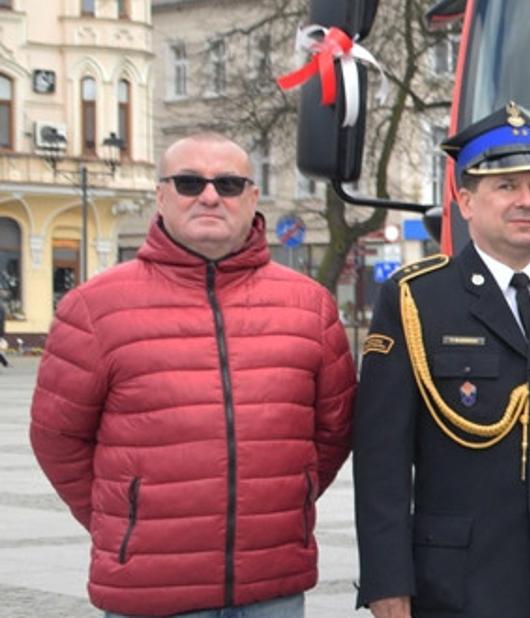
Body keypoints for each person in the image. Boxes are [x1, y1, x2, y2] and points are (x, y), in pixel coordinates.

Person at [30, 132, 355, 618]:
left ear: (251, 197)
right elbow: (57, 437)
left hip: (272, 589)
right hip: (150, 592)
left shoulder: (309, 306)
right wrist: (125, 522)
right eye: (189, 182)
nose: (209, 196)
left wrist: (290, 499)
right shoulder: (94, 308)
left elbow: (335, 429)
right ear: (160, 196)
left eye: (227, 183)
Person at [353, 103, 530, 618]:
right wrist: (388, 582)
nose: (526, 202)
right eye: (507, 187)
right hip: (458, 584)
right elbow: (382, 458)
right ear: (465, 199)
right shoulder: (416, 300)